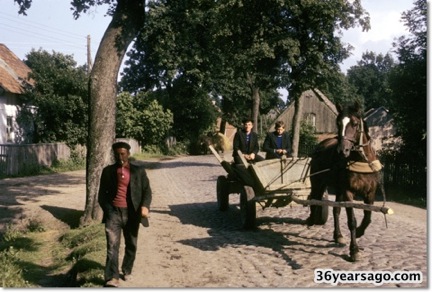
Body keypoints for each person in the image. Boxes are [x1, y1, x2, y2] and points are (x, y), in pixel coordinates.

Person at [98, 141, 152, 287]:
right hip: (114, 213)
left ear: (128, 154)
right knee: (112, 245)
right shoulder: (107, 171)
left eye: (122, 153)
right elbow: (102, 195)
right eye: (117, 154)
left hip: (132, 213)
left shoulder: (138, 171)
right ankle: (112, 277)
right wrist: (108, 211)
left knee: (131, 244)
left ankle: (127, 270)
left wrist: (145, 206)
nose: (120, 156)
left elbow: (147, 191)